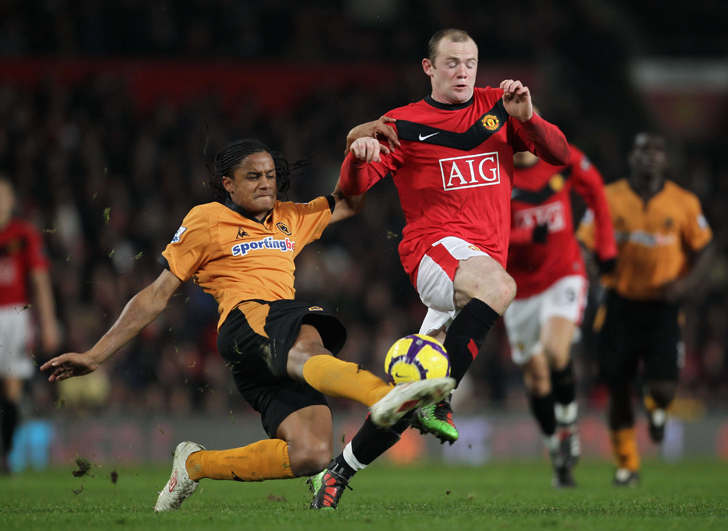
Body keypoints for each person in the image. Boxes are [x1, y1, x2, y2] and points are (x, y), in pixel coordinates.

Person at [41, 139, 453, 511]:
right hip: (248, 320)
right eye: (253, 176)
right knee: (309, 340)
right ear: (228, 184)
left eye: (271, 176)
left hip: (266, 349)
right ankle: (387, 396)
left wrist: (356, 155)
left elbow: (348, 202)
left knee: (310, 453)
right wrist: (96, 355)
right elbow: (157, 292)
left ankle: (194, 464)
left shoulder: (289, 217)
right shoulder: (206, 220)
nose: (265, 184)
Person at [308, 28, 570, 509]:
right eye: (451, 63)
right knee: (500, 285)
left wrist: (528, 115)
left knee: (406, 399)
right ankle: (441, 397)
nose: (463, 72)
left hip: (477, 270)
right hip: (433, 251)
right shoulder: (402, 123)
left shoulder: (500, 107)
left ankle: (338, 472)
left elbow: (560, 154)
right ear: (429, 68)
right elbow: (352, 189)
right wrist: (356, 156)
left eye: (470, 62)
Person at [577, 133, 713, 487]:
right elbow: (583, 242)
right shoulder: (608, 198)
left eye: (656, 151)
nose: (649, 157)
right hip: (619, 304)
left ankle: (657, 408)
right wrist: (588, 263)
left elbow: (707, 248)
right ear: (631, 158)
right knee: (618, 388)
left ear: (665, 161)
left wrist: (685, 286)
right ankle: (627, 466)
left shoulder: (683, 203)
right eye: (642, 150)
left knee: (666, 388)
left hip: (663, 306)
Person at [504, 142, 617, 487]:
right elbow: (482, 232)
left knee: (557, 351)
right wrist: (524, 235)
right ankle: (557, 454)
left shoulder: (562, 156)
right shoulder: (493, 171)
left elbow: (595, 187)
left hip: (562, 273)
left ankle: (568, 426)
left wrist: (606, 245)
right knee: (536, 379)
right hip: (518, 288)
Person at [0, 177, 60, 474]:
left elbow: (39, 279)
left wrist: (48, 323)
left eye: (3, 195)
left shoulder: (24, 234)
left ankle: (5, 454)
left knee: (11, 389)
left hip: (13, 317)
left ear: (12, 201)